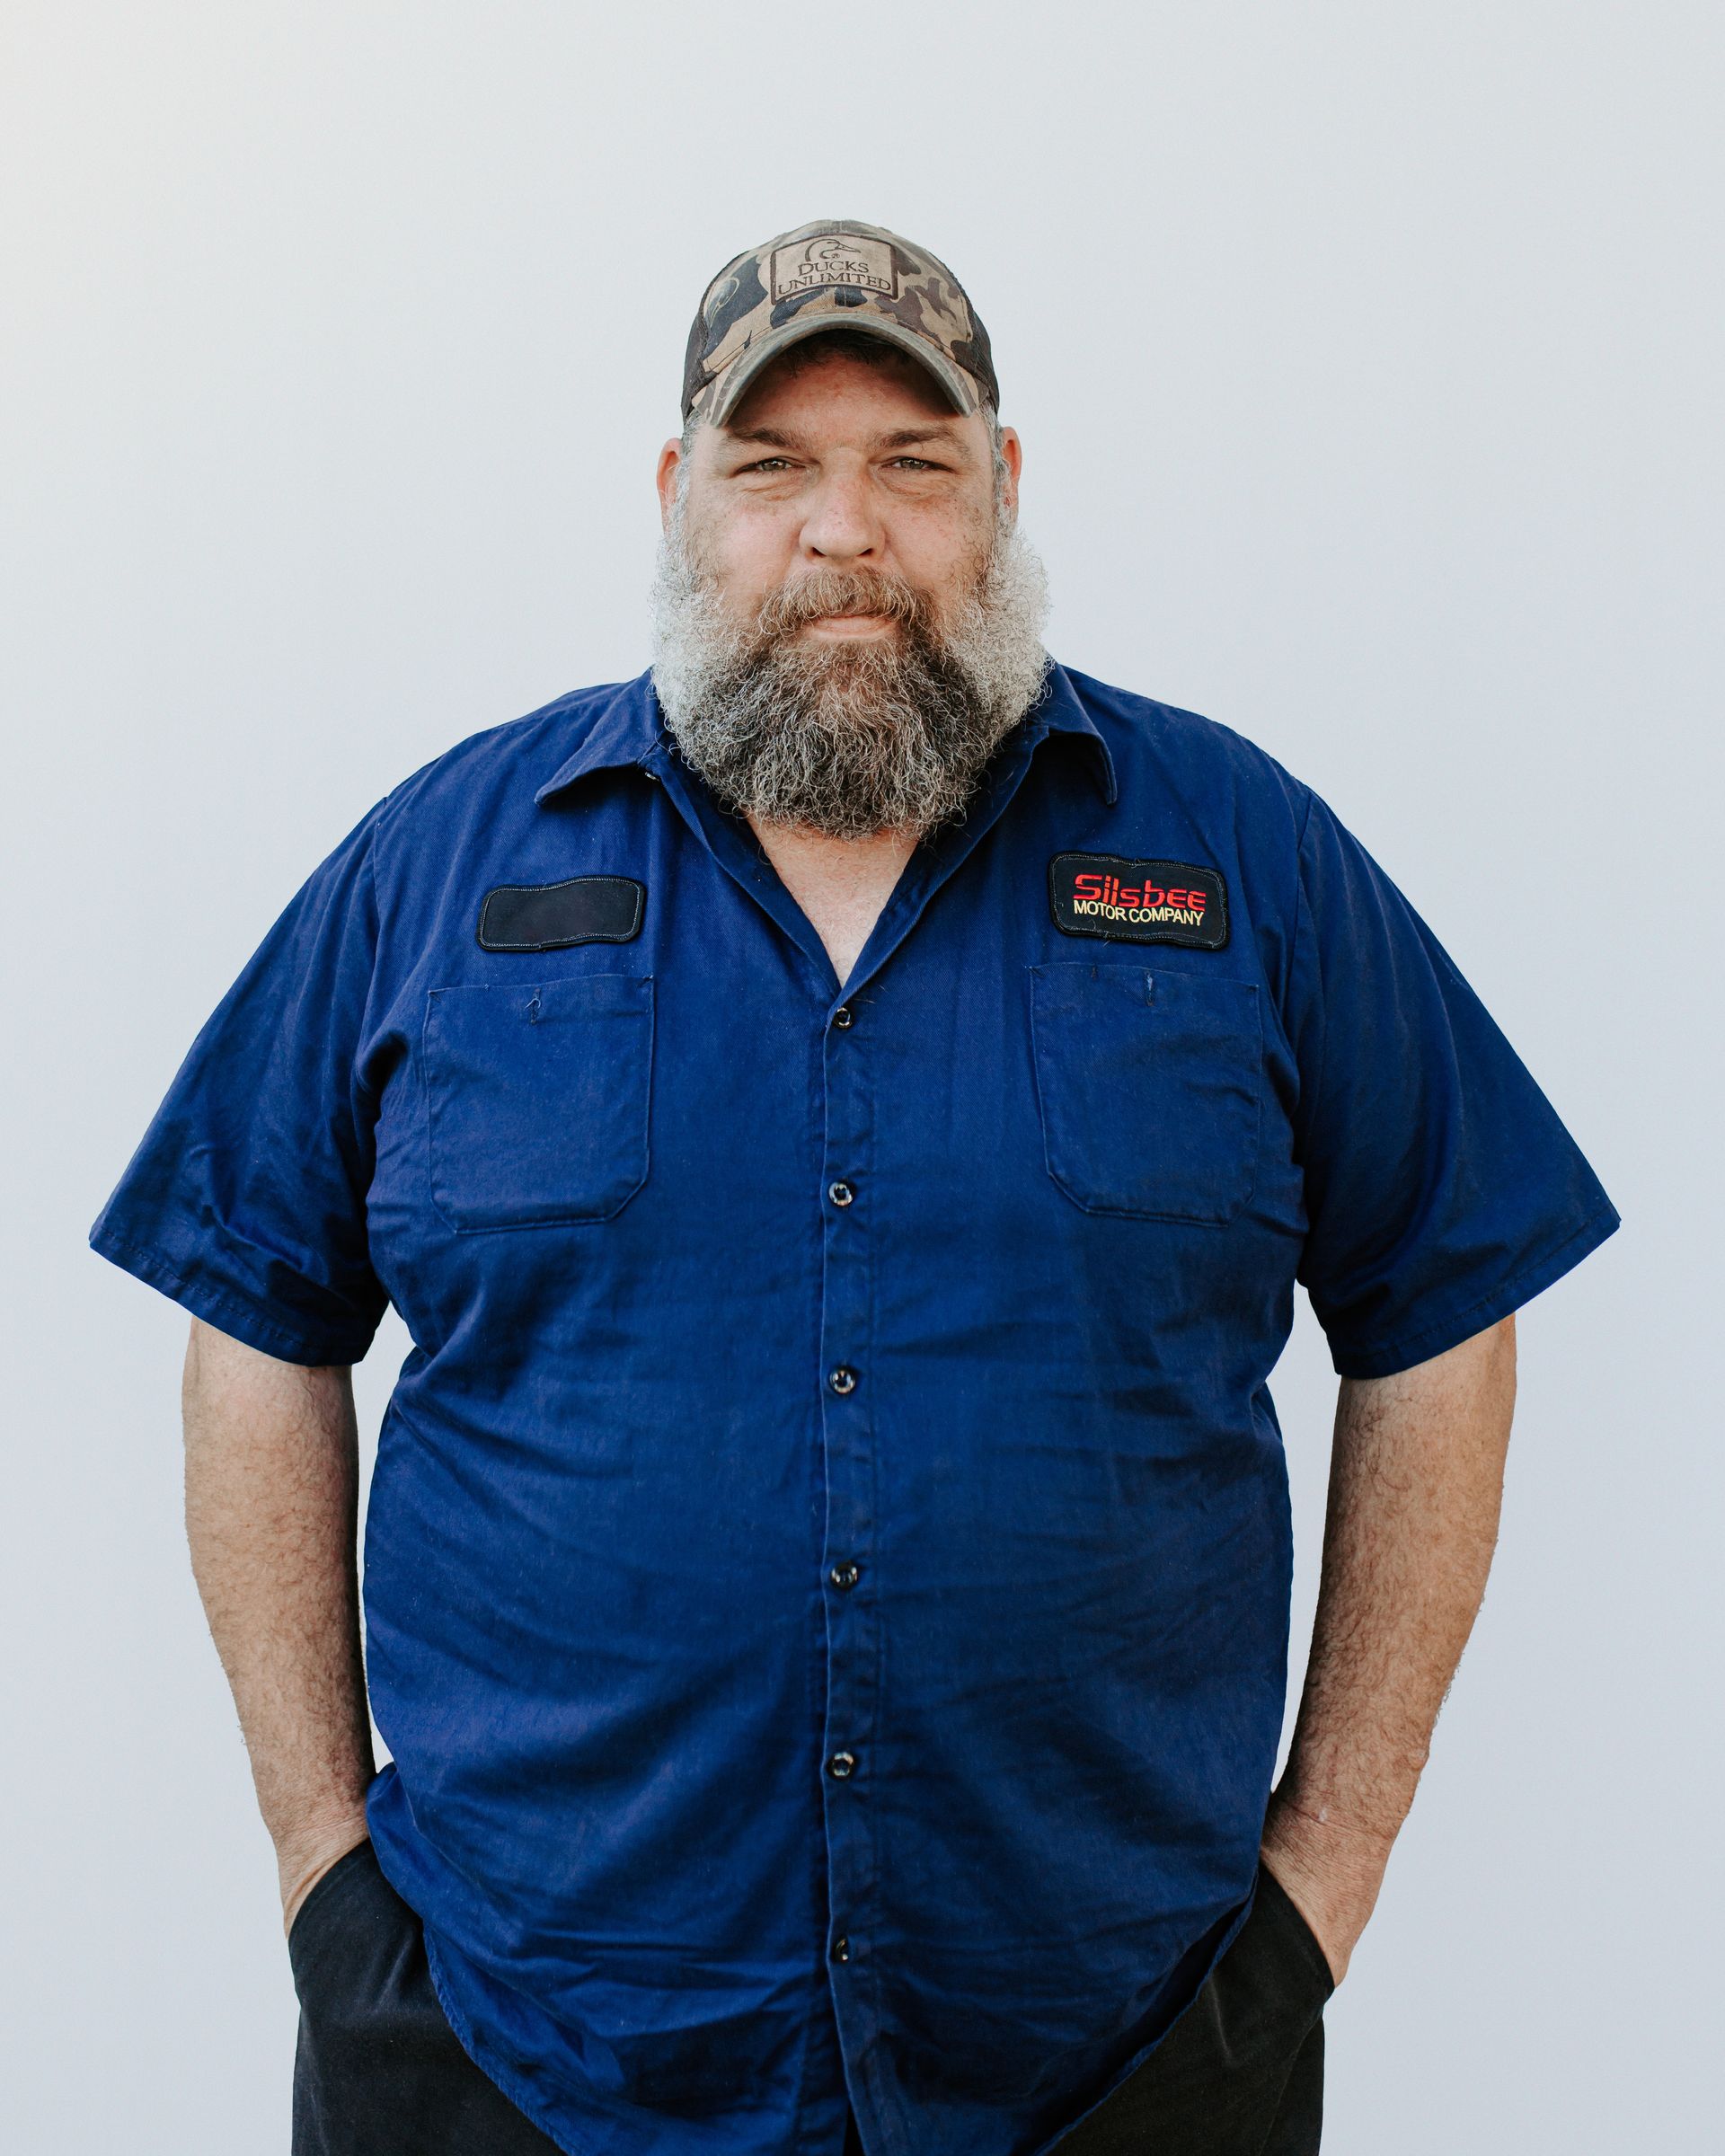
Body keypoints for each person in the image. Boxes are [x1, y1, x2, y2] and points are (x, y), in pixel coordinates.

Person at [91, 217, 1619, 2156]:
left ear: (1002, 491)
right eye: (773, 466)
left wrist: (1324, 1885)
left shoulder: (1245, 860)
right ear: (677, 498)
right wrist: (325, 1876)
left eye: (914, 464)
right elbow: (253, 1317)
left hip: (1122, 2068)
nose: (844, 533)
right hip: (512, 2058)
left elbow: (1448, 1309)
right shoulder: (441, 868)